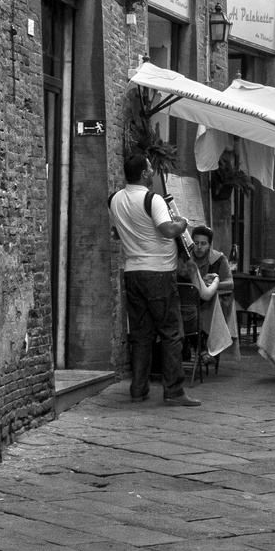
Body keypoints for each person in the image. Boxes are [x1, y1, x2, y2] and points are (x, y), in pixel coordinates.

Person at [108, 155, 200, 406]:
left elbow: (117, 233)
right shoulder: (153, 199)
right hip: (159, 272)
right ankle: (174, 391)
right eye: (150, 168)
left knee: (140, 334)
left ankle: (138, 389)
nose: (153, 172)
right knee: (171, 333)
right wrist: (182, 222)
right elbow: (168, 230)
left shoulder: (114, 199)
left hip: (132, 272)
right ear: (144, 174)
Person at [178, 225, 234, 368]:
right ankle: (201, 350)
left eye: (203, 244)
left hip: (209, 303)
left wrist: (214, 283)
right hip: (186, 303)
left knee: (198, 311)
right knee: (189, 311)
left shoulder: (219, 259)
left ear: (210, 245)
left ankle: (202, 348)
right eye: (196, 243)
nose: (199, 247)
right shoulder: (185, 258)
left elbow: (230, 283)